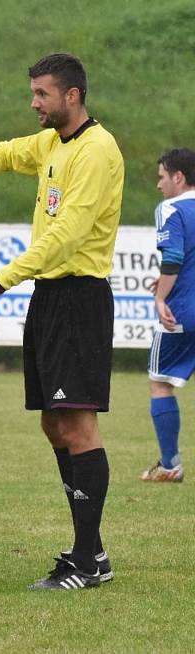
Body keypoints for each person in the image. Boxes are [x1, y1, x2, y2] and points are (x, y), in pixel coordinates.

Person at [0, 53, 124, 590]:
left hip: (79, 297)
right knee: (53, 422)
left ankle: (88, 560)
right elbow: (4, 152)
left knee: (78, 424)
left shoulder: (97, 151)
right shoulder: (50, 143)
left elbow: (67, 234)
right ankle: (91, 551)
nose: (34, 103)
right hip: (50, 298)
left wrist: (3, 278)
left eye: (42, 94)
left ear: (72, 96)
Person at [141, 148, 195, 482]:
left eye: (162, 176)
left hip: (183, 314)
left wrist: (161, 297)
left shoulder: (171, 208)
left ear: (178, 177)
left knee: (160, 382)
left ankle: (170, 463)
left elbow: (174, 255)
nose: (159, 184)